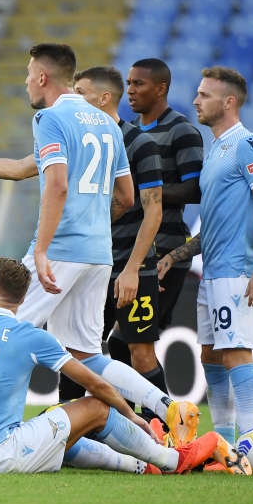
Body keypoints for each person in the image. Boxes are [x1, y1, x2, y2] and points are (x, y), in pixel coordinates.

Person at [15, 43, 200, 446]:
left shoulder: (49, 118)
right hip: (99, 255)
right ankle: (166, 406)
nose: (26, 81)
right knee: (86, 353)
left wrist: (42, 248)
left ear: (44, 77)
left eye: (29, 74)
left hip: (61, 248)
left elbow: (59, 185)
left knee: (10, 335)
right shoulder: (105, 124)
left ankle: (0, 432)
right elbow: (127, 195)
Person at [0, 255, 250, 475]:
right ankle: (171, 460)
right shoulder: (27, 335)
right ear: (22, 302)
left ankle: (141, 465)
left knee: (60, 424)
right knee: (95, 408)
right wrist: (133, 417)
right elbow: (96, 384)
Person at [157, 66, 253, 447]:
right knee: (211, 353)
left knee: (236, 353)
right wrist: (176, 254)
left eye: (204, 95)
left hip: (236, 270)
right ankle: (224, 442)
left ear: (229, 102)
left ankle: (251, 442)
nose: (195, 100)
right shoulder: (215, 151)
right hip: (211, 271)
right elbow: (212, 225)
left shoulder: (247, 144)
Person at [64, 67, 167, 429]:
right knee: (74, 351)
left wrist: (132, 269)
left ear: (104, 97)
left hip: (130, 266)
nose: (73, 99)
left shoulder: (141, 143)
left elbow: (153, 211)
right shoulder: (78, 137)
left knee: (140, 352)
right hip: (89, 264)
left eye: (80, 92)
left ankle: (164, 432)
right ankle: (76, 432)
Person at [126, 59, 204, 409]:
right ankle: (141, 421)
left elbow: (194, 190)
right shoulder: (127, 131)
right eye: (128, 83)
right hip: (130, 250)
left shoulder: (181, 130)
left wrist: (147, 191)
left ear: (160, 89)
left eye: (139, 84)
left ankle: (165, 423)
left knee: (137, 344)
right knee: (121, 341)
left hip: (164, 251)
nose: (130, 90)